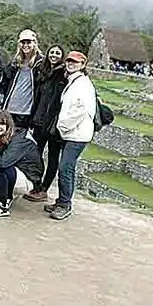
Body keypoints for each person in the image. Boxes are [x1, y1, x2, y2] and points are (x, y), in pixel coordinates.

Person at [46, 51, 97, 221]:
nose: (70, 63)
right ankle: (62, 200)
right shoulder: (74, 82)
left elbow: (79, 109)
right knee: (67, 167)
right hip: (72, 132)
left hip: (77, 134)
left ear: (82, 65)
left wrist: (62, 126)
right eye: (69, 61)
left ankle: (65, 204)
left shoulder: (81, 84)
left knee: (65, 167)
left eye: (75, 62)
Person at [0, 111, 42, 218]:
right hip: (13, 172)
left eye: (2, 124)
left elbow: (4, 161)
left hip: (27, 179)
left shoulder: (19, 139)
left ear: (9, 126)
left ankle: (3, 205)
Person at [24, 43, 67, 203]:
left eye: (58, 53)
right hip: (39, 120)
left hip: (54, 124)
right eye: (52, 52)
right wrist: (32, 117)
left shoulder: (64, 75)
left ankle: (44, 188)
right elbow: (37, 98)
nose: (54, 55)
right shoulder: (42, 72)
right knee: (36, 154)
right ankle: (37, 184)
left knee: (53, 157)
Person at [0, 28, 44, 134]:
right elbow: (4, 82)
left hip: (26, 112)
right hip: (10, 109)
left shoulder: (41, 63)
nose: (26, 45)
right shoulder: (15, 62)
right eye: (23, 42)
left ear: (35, 43)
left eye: (29, 42)